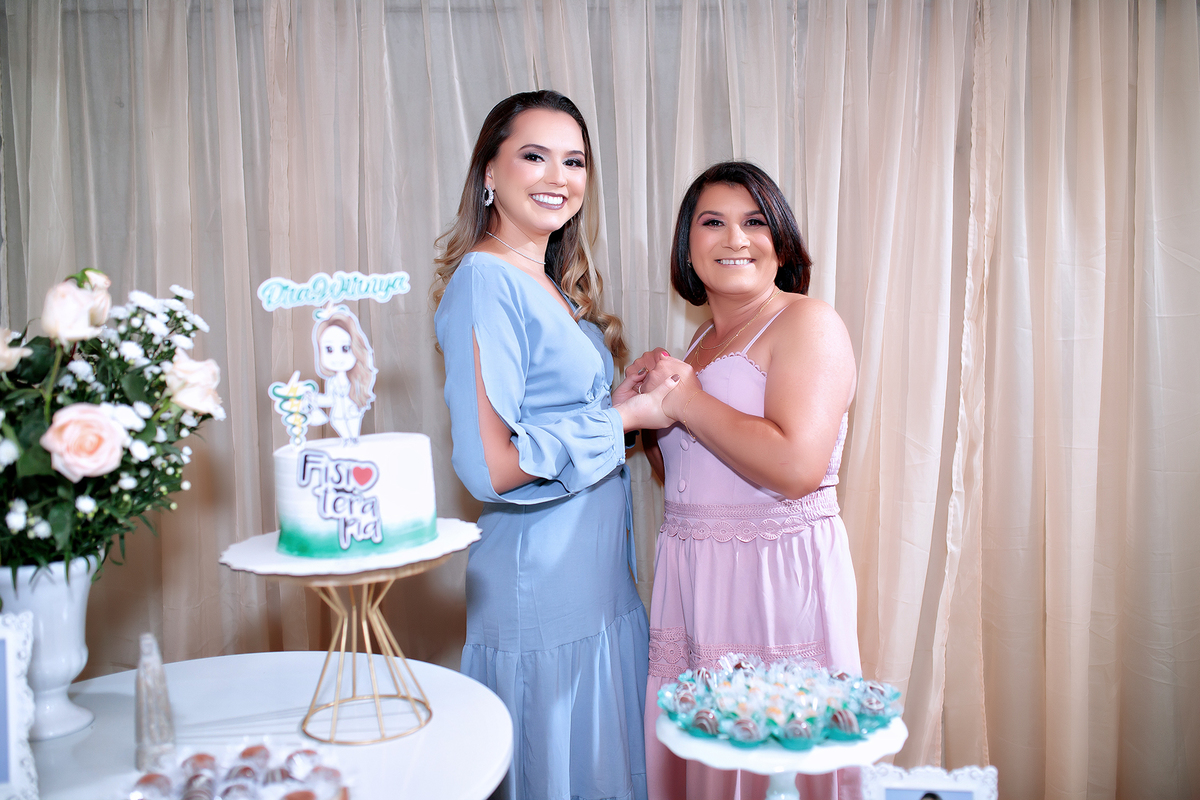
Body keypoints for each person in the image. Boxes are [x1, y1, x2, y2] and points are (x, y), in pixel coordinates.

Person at [433, 90, 676, 800]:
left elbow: (550, 420)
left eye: (574, 161)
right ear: (489, 171)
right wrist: (621, 419)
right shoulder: (484, 280)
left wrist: (619, 400)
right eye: (534, 155)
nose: (558, 177)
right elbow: (489, 467)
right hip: (541, 581)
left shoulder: (542, 278)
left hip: (595, 573)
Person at [628, 162, 861, 800]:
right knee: (707, 761)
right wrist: (643, 412)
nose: (735, 238)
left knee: (774, 761)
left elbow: (795, 467)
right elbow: (688, 473)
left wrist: (684, 401)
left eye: (754, 222)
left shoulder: (807, 322)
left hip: (771, 578)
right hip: (694, 580)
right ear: (688, 247)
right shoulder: (699, 340)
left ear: (780, 241)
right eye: (713, 222)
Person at [309, 305, 377, 440]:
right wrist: (315, 399)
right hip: (337, 416)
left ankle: (352, 442)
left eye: (345, 348)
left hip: (352, 412)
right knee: (345, 436)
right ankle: (348, 442)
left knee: (353, 436)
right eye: (329, 349)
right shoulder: (332, 382)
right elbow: (330, 399)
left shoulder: (356, 379)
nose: (337, 357)